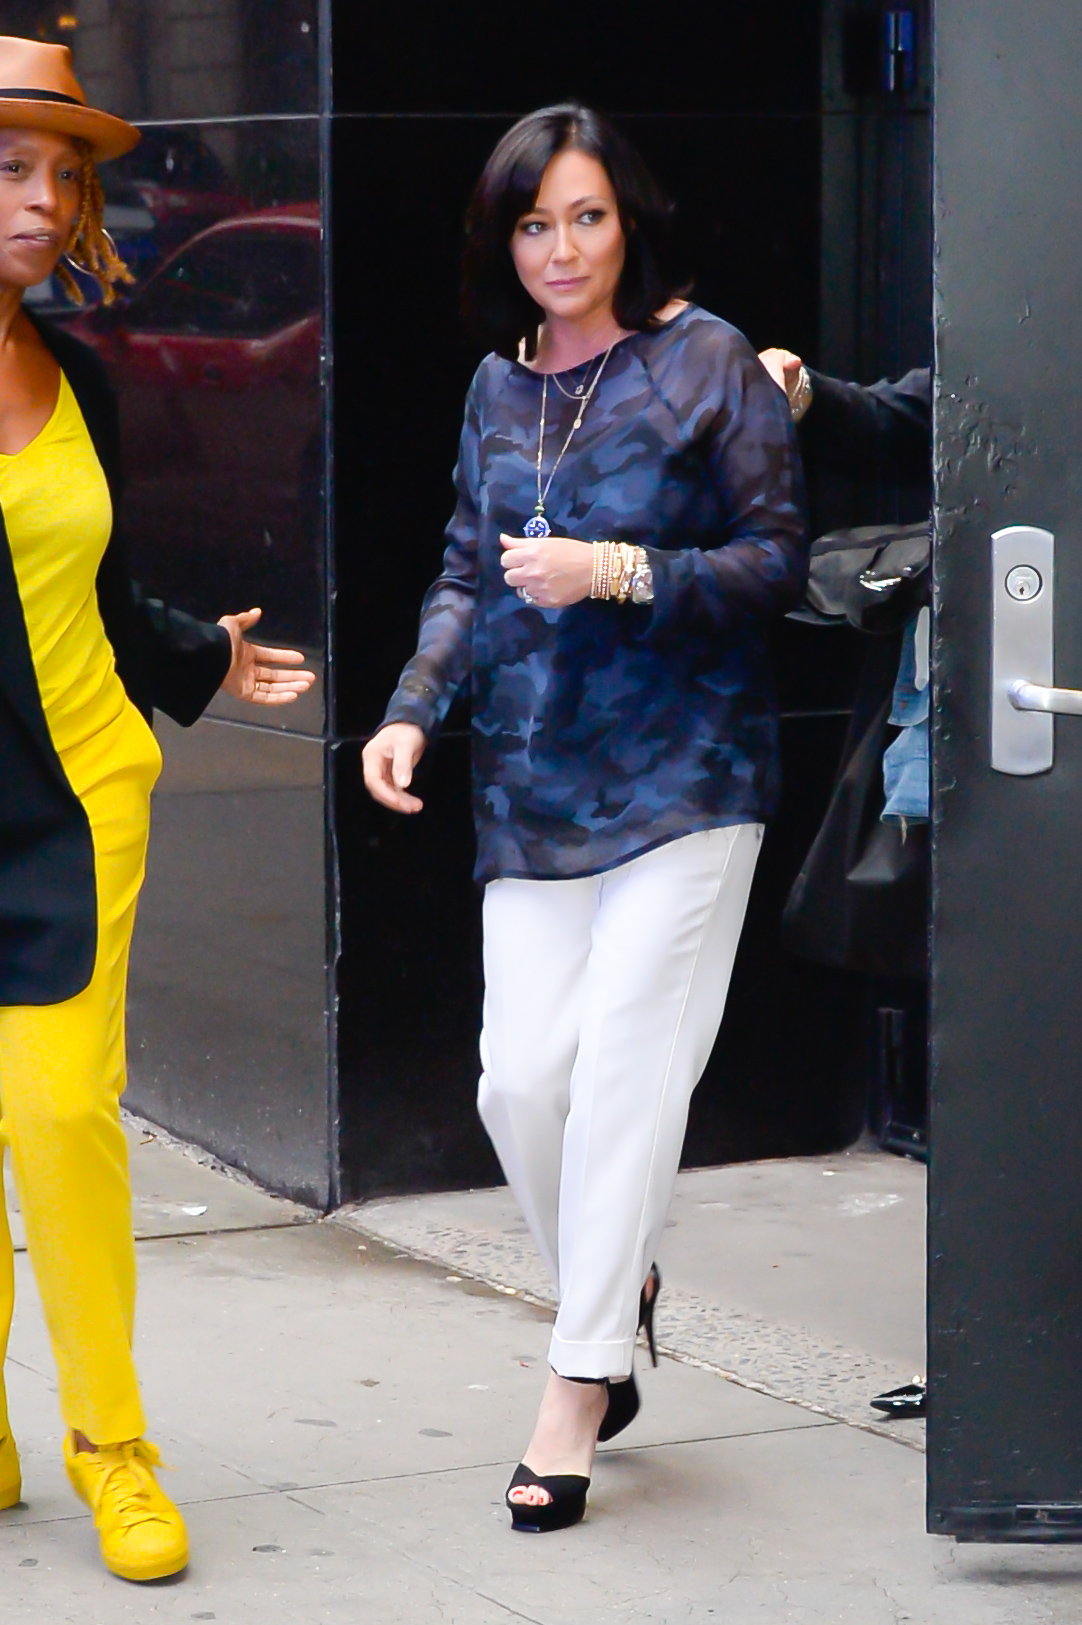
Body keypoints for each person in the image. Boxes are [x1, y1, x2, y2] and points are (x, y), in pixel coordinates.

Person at [363, 104, 807, 1533]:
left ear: (630, 220)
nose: (561, 248)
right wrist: (413, 704)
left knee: (622, 1070)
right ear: (506, 239)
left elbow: (771, 563)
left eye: (586, 217)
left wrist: (619, 570)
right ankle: (619, 1286)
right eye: (535, 223)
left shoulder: (706, 363)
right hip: (533, 782)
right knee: (516, 1084)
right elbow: (462, 570)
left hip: (687, 776)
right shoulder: (499, 387)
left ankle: (577, 1382)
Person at [0, 38, 315, 1582]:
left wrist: (207, 656)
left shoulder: (79, 374)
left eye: (63, 174)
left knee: (62, 1117)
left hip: (76, 801)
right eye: (12, 165)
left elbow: (98, 589)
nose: (46, 199)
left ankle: (110, 1446)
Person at [760, 345, 931, 1421]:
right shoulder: (1035, 301)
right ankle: (997, 1356)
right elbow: (902, 419)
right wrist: (809, 394)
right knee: (993, 1065)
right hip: (1009, 755)